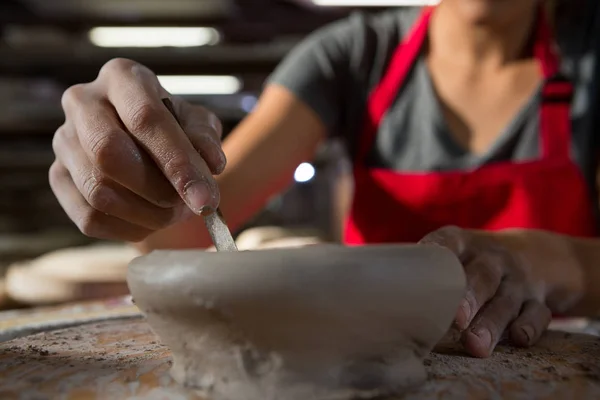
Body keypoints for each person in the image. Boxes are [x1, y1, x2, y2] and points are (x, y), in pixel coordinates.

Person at [49, 0, 600, 359]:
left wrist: (548, 262)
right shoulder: (353, 57)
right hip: (374, 369)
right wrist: (139, 159)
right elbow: (181, 231)